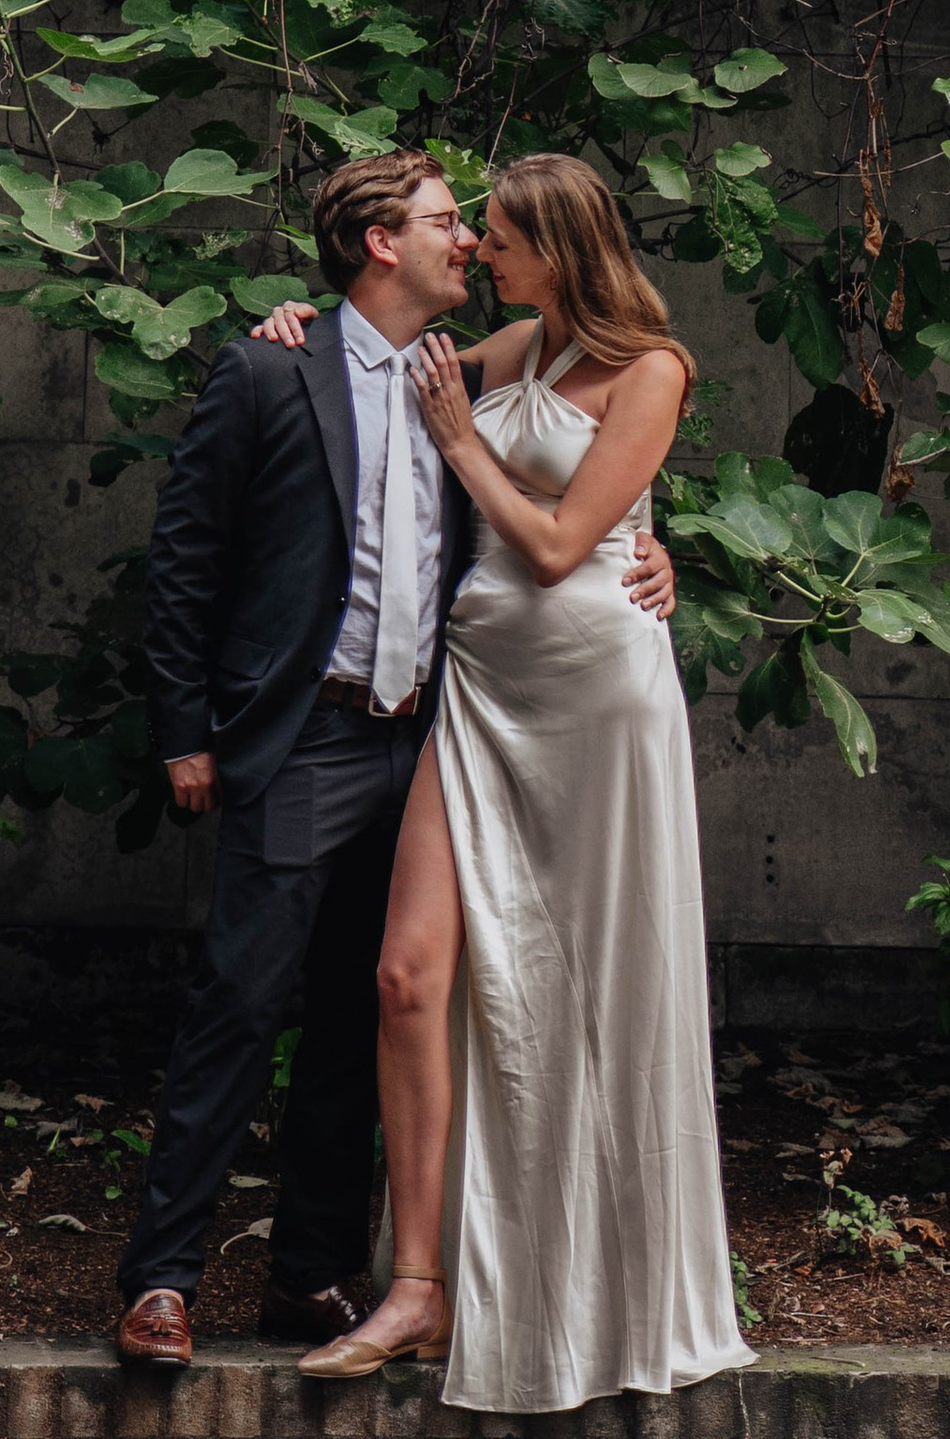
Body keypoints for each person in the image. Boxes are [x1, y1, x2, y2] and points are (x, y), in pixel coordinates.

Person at [110, 146, 678, 1371]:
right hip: (305, 734)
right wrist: (185, 732)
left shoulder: (461, 373)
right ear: (381, 242)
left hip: (435, 736)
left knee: (372, 1014)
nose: (468, 240)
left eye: (477, 226)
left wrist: (651, 544)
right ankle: (161, 1281)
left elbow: (575, 467)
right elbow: (186, 565)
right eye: (444, 222)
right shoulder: (273, 368)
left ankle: (309, 1275)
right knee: (239, 1003)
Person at [245, 150, 752, 1414]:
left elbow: (560, 541)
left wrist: (475, 453)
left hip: (598, 705)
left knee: (596, 985)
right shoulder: (518, 345)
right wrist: (293, 323)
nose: (475, 251)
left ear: (562, 247)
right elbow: (369, 370)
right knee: (406, 977)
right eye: (471, 234)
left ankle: (606, 1280)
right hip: (477, 693)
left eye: (501, 237)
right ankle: (417, 1284)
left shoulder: (654, 370)